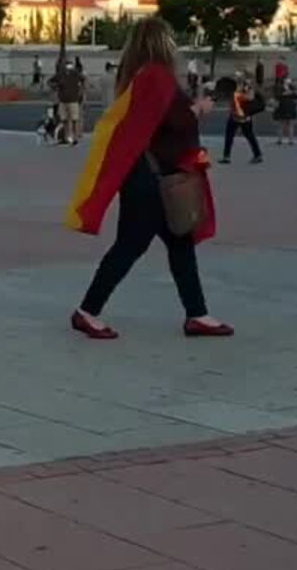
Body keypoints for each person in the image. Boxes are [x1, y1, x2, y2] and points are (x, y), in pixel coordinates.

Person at [66, 17, 231, 340]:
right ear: (161, 42)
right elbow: (173, 123)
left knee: (178, 244)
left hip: (145, 174)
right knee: (132, 246)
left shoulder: (139, 76)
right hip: (155, 179)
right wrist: (197, 110)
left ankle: (197, 314)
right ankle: (87, 311)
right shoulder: (158, 76)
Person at [221, 80, 264, 165]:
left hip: (242, 117)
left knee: (249, 136)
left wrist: (239, 94)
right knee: (230, 136)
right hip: (237, 116)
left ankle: (257, 155)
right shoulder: (238, 91)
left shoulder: (246, 90)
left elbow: (249, 98)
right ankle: (226, 157)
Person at [53, 55, 86, 145]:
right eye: (67, 64)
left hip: (73, 99)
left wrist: (80, 91)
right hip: (63, 100)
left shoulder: (75, 74)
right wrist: (56, 87)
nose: (69, 66)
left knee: (74, 119)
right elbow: (51, 81)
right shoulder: (61, 74)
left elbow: (84, 80)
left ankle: (74, 137)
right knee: (64, 120)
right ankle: (67, 136)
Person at [271, 72, 297, 145]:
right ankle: (280, 139)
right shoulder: (279, 86)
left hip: (291, 106)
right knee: (281, 123)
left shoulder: (292, 87)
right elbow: (277, 95)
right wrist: (285, 93)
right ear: (284, 79)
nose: (288, 80)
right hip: (282, 105)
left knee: (290, 123)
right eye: (287, 78)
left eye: (289, 79)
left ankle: (291, 140)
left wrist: (291, 92)